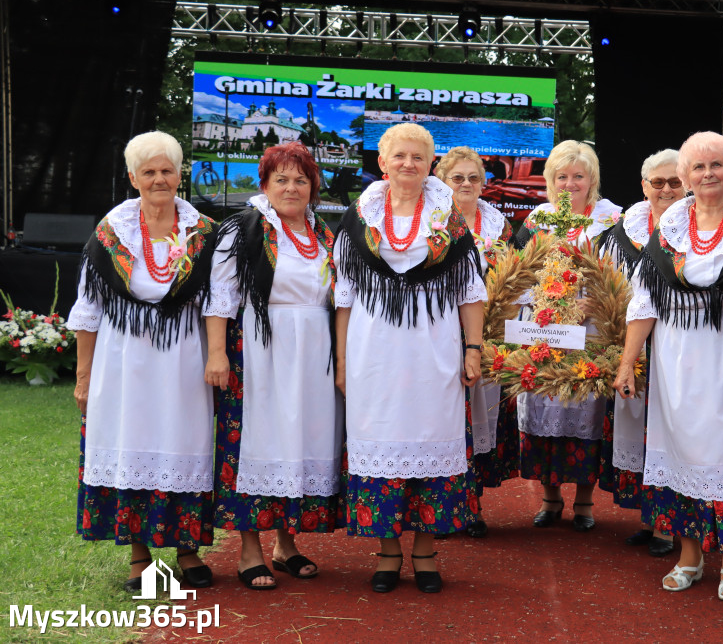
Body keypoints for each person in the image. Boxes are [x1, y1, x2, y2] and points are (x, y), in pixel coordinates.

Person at [613, 132, 723, 601]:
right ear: (684, 178)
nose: (708, 175)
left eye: (717, 165)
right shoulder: (669, 229)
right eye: (698, 168)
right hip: (676, 355)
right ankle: (689, 556)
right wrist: (627, 362)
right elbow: (643, 301)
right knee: (678, 449)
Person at [334, 123, 486, 593]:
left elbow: (470, 291)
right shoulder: (358, 217)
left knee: (430, 440)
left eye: (418, 157)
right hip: (373, 353)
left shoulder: (449, 220)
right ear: (382, 163)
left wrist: (474, 349)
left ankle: (424, 552)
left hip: (433, 351)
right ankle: (386, 553)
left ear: (429, 165)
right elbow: (343, 297)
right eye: (399, 156)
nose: (408, 164)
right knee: (379, 441)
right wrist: (341, 361)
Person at [69, 131, 218, 591]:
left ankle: (187, 550)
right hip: (123, 364)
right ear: (132, 178)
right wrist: (83, 378)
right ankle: (140, 557)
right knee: (129, 445)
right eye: (149, 171)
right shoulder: (109, 234)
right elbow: (88, 311)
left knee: (184, 445)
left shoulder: (204, 232)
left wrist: (215, 355)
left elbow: (217, 301)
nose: (159, 179)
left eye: (167, 170)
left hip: (183, 362)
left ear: (180, 175)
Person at [204, 141, 344, 591]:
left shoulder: (324, 232)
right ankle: (250, 551)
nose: (291, 187)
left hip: (313, 352)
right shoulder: (244, 229)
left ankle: (286, 543)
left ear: (313, 186)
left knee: (300, 439)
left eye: (300, 180)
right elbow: (220, 298)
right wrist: (217, 353)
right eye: (281, 179)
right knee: (255, 443)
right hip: (260, 349)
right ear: (264, 184)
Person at [516, 140, 621, 532]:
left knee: (584, 406)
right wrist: (544, 302)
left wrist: (598, 304)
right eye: (562, 176)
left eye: (578, 176)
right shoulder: (537, 219)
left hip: (591, 328)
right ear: (550, 180)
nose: (569, 184)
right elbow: (517, 271)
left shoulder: (611, 220)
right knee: (543, 405)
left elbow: (620, 275)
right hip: (543, 326)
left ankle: (584, 501)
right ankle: (549, 498)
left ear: (591, 178)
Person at [597, 148, 686, 556]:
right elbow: (604, 284)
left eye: (674, 181)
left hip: (680, 343)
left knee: (671, 432)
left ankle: (672, 526)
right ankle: (651, 520)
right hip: (631, 340)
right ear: (643, 186)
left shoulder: (696, 225)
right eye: (658, 182)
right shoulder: (621, 232)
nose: (666, 189)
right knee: (639, 432)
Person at [435, 146, 518, 539]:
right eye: (458, 178)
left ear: (484, 184)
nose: (466, 185)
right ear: (441, 182)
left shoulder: (499, 226)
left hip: (486, 332)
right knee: (444, 418)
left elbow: (514, 276)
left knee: (481, 418)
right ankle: (438, 505)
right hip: (436, 330)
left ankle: (473, 505)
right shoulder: (432, 222)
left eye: (474, 178)